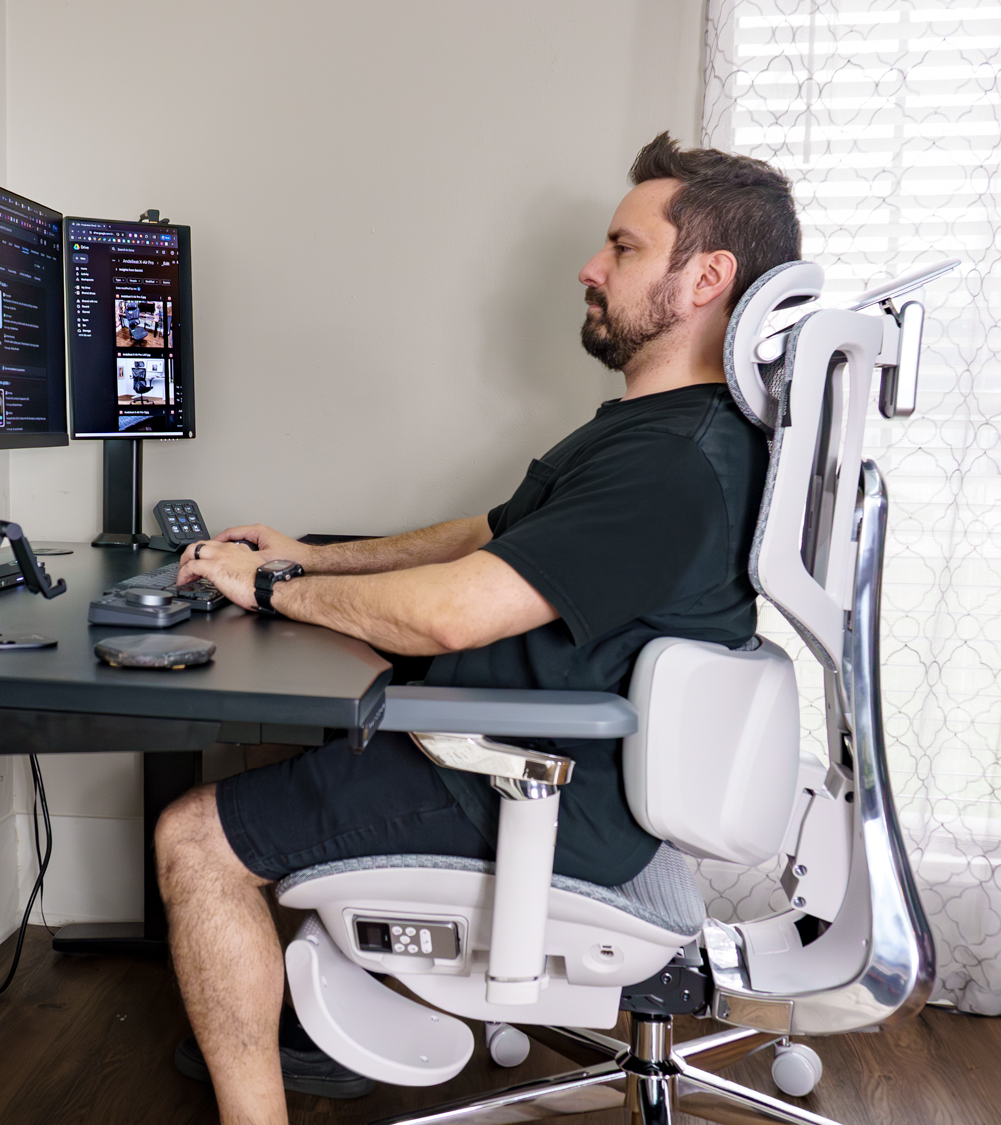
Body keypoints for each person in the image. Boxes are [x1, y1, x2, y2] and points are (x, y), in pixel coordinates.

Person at [158, 132, 802, 1125]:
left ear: (706, 279)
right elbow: (488, 536)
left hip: (534, 786)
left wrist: (272, 587)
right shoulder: (654, 430)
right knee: (288, 737)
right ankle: (292, 1022)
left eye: (623, 248)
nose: (590, 268)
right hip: (537, 754)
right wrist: (313, 558)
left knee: (194, 835)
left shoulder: (673, 463)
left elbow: (453, 610)